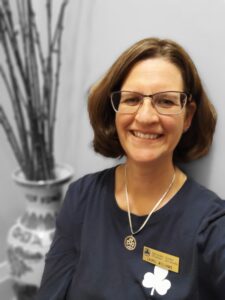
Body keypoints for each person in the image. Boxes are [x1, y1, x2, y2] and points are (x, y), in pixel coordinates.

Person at [36, 37, 225, 299]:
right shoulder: (81, 197)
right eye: (132, 99)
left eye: (166, 102)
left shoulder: (212, 224)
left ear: (188, 116)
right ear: (115, 110)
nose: (146, 116)